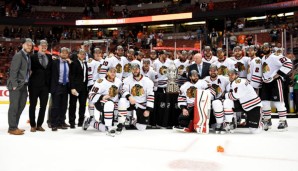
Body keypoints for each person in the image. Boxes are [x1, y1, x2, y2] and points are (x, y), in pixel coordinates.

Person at [261, 43, 292, 131]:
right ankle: (267, 120)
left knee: (279, 102)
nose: (264, 48)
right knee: (265, 102)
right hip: (265, 82)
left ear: (270, 48)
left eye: (266, 47)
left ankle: (283, 121)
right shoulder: (263, 58)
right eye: (263, 47)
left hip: (275, 82)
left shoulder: (276, 56)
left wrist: (279, 74)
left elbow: (288, 63)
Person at [83, 67, 122, 136]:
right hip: (101, 104)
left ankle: (90, 121)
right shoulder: (100, 81)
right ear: (107, 73)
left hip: (113, 106)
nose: (113, 73)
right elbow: (91, 95)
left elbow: (122, 92)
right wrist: (102, 96)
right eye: (111, 71)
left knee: (104, 129)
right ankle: (109, 127)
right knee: (109, 103)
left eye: (114, 72)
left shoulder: (118, 81)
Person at [7, 38, 33, 135]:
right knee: (14, 107)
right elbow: (13, 71)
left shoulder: (28, 56)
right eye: (27, 45)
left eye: (30, 45)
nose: (29, 46)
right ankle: (12, 128)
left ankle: (15, 126)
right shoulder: (18, 55)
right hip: (16, 85)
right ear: (23, 45)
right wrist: (14, 85)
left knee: (21, 106)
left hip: (24, 85)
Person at [224, 69, 263, 134]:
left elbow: (235, 96)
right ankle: (230, 121)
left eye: (232, 75)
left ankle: (260, 122)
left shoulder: (238, 82)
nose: (230, 76)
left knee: (254, 131)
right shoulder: (233, 83)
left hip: (253, 106)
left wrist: (225, 95)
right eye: (229, 75)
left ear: (237, 75)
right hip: (243, 104)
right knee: (227, 102)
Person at [118, 63, 155, 131]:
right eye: (133, 69)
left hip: (142, 104)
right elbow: (122, 90)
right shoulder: (127, 80)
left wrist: (148, 110)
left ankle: (134, 121)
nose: (135, 71)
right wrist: (129, 96)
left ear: (139, 69)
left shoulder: (147, 81)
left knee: (142, 128)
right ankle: (122, 121)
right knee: (122, 101)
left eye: (137, 69)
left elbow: (150, 95)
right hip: (131, 102)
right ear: (131, 70)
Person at [28, 39, 52, 132]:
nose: (44, 47)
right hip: (34, 86)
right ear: (38, 47)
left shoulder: (50, 57)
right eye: (42, 45)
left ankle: (39, 124)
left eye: (45, 45)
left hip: (45, 86)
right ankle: (33, 125)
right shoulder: (32, 57)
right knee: (32, 105)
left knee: (43, 106)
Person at [50, 47, 72, 131]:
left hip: (65, 86)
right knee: (55, 106)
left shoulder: (69, 63)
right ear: (59, 53)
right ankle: (54, 124)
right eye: (63, 52)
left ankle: (61, 122)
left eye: (66, 53)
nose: (64, 54)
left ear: (68, 55)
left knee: (64, 106)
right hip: (57, 86)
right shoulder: (55, 62)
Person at [204, 64, 229, 134]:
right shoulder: (205, 79)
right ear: (209, 72)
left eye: (214, 70)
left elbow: (231, 83)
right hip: (209, 101)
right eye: (211, 71)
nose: (213, 72)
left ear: (217, 71)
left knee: (218, 104)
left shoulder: (224, 79)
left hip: (220, 99)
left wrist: (227, 91)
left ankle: (223, 123)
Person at [69, 49, 88, 128]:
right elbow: (71, 76)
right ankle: (72, 122)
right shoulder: (74, 63)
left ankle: (81, 121)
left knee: (82, 105)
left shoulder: (86, 63)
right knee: (73, 105)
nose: (82, 55)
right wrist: (72, 87)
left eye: (84, 54)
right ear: (78, 55)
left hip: (84, 88)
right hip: (75, 88)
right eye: (81, 54)